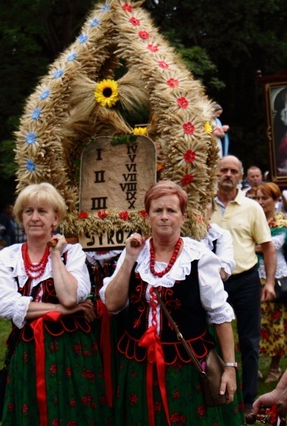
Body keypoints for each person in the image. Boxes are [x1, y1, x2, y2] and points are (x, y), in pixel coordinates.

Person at [100, 180, 241, 425]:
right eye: (158, 211)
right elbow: (112, 304)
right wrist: (130, 258)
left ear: (183, 217)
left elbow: (220, 315)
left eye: (171, 211)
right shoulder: (135, 252)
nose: (165, 217)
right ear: (148, 216)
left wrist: (229, 367)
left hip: (185, 363)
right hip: (138, 363)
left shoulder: (199, 257)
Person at [0, 182, 111, 425]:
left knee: (75, 412)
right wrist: (63, 310)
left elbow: (70, 296)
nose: (34, 218)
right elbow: (5, 305)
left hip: (73, 350)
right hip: (28, 352)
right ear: (21, 218)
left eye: (42, 211)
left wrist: (55, 254)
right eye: (28, 211)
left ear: (55, 218)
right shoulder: (8, 258)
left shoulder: (72, 253)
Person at [211, 155, 276, 414]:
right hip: (212, 283)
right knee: (211, 337)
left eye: (233, 171)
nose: (228, 174)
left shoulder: (252, 207)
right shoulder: (202, 206)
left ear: (241, 177)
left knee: (249, 340)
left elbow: (268, 247)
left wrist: (269, 281)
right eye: (223, 170)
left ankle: (249, 400)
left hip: (246, 279)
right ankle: (216, 392)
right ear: (216, 174)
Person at [255, 182, 287, 383]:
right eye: (257, 198)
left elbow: (272, 246)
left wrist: (254, 244)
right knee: (254, 322)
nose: (260, 202)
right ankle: (255, 365)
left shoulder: (282, 221)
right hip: (255, 275)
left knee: (276, 323)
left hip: (277, 277)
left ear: (276, 200)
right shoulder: (255, 219)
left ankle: (275, 367)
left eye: (264, 198)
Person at [202, 199, 236, 281]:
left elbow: (223, 273)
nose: (202, 206)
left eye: (206, 201)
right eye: (198, 200)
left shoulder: (220, 235)